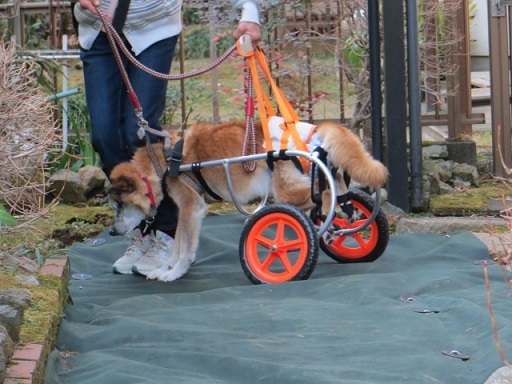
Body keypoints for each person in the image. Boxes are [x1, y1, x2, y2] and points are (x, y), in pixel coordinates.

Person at [74, 0, 262, 276]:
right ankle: (142, 230)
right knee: (105, 137)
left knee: (140, 133)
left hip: (152, 26)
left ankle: (167, 232)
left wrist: (249, 11)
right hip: (97, 30)